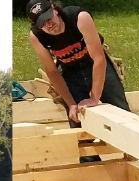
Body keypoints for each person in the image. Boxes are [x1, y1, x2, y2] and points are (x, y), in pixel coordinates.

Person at [26, 0, 128, 128]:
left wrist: (94, 98)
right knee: (77, 118)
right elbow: (52, 71)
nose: (49, 24)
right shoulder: (36, 36)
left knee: (121, 112)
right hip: (70, 70)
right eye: (43, 23)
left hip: (94, 63)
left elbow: (98, 58)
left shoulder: (79, 17)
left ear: (55, 10)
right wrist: (71, 104)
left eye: (49, 18)